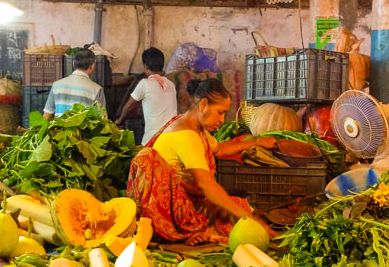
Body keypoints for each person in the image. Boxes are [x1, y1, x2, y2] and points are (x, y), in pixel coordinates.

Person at [127, 78, 277, 245]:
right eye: (220, 112)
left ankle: (205, 229)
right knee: (236, 214)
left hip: (188, 201)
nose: (222, 120)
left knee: (237, 204)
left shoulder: (195, 128)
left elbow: (219, 149)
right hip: (169, 209)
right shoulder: (186, 135)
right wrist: (248, 217)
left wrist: (257, 142)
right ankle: (185, 231)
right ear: (203, 104)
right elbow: (206, 185)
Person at [115, 48, 177, 145]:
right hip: (172, 139)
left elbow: (128, 106)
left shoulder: (145, 84)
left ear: (146, 67)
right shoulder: (171, 84)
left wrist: (120, 120)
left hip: (153, 140)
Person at [43, 49, 106, 120]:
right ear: (92, 66)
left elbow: (46, 116)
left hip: (59, 131)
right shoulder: (96, 89)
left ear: (73, 64)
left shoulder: (56, 85)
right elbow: (101, 120)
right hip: (84, 131)